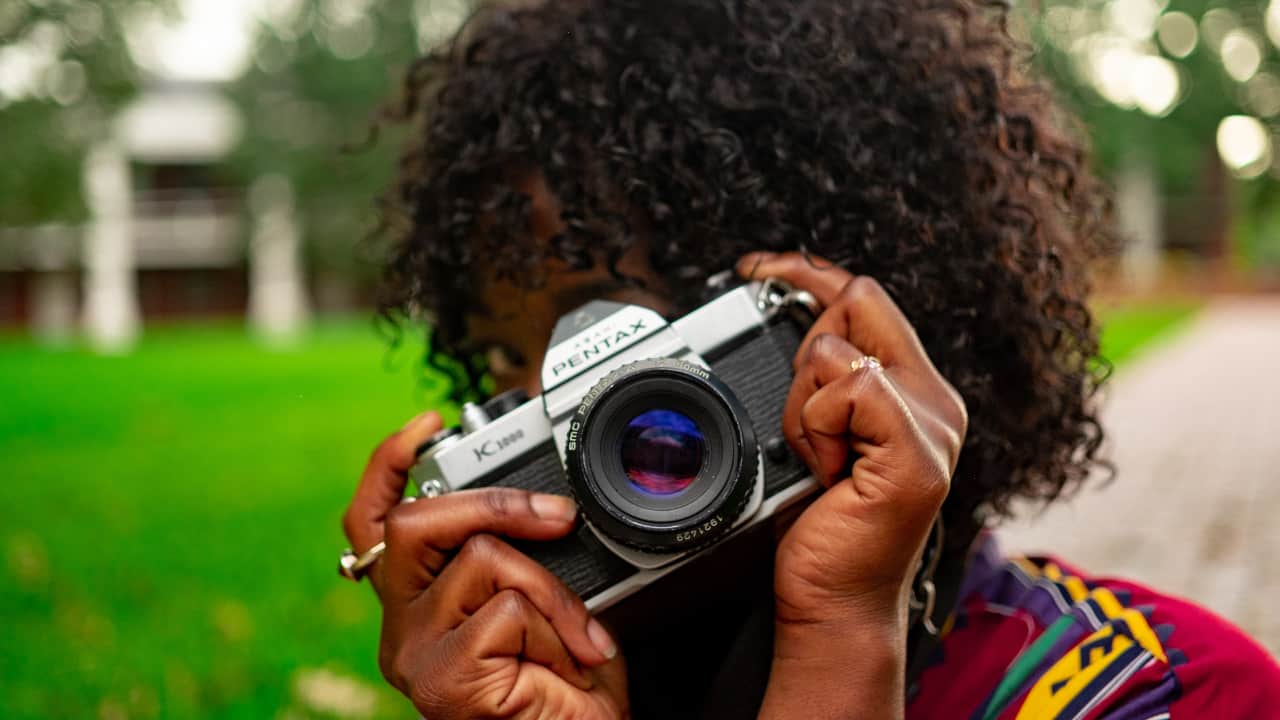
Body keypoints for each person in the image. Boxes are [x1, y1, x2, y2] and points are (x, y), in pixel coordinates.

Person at [339, 1, 1280, 717]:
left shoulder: (1172, 694)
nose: (575, 423)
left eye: (639, 356)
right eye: (512, 362)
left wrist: (842, 636)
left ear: (842, 336)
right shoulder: (528, 693)